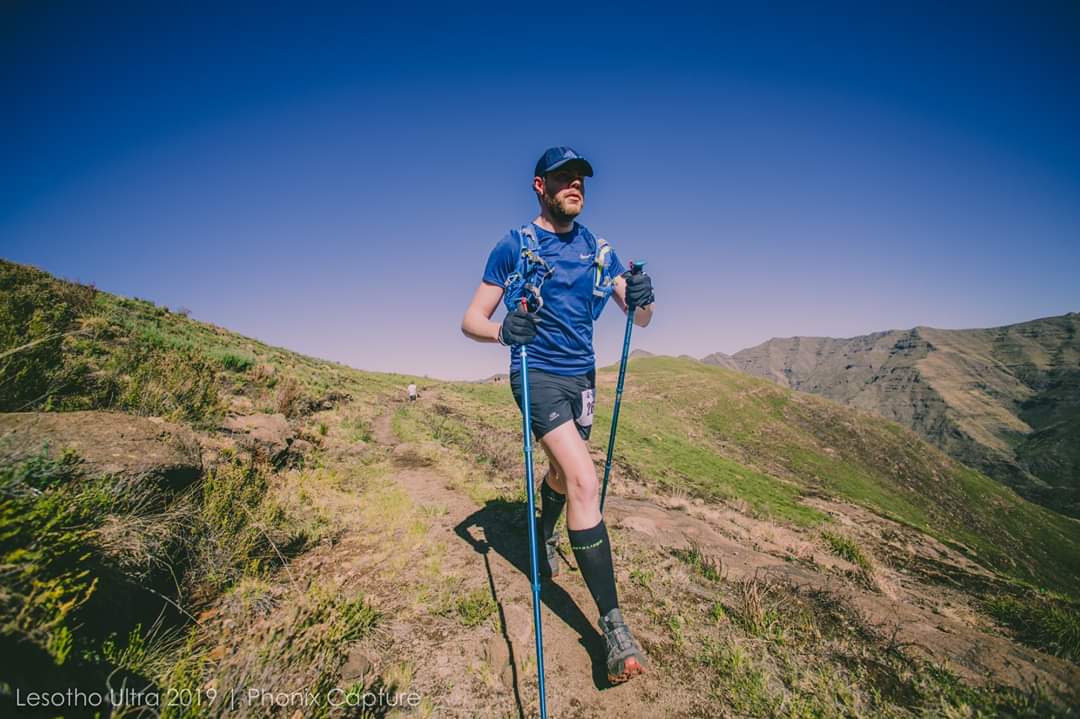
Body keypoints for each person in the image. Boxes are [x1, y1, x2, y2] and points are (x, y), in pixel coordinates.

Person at [461, 146, 656, 684]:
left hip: (581, 379)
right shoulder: (516, 245)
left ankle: (544, 534)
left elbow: (639, 317)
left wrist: (642, 295)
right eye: (564, 178)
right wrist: (503, 331)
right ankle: (614, 629)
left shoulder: (599, 248)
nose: (576, 186)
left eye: (581, 179)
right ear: (539, 186)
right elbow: (471, 319)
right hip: (537, 374)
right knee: (583, 480)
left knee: (559, 475)